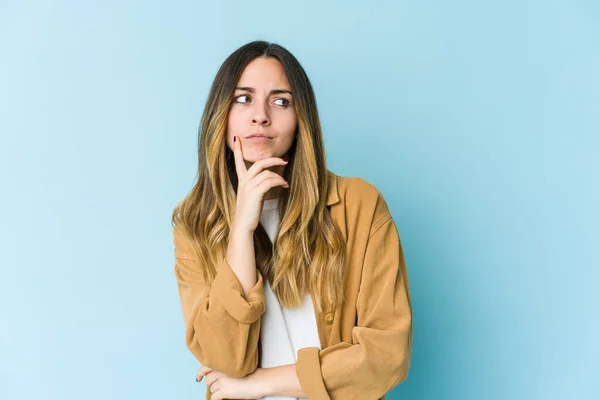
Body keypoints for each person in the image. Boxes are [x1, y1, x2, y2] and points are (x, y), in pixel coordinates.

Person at [171, 40, 412, 400]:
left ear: (301, 120)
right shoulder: (195, 224)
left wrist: (260, 383)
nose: (261, 116)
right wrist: (240, 231)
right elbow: (223, 358)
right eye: (243, 98)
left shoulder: (358, 205)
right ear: (220, 114)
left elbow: (387, 354)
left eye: (281, 101)